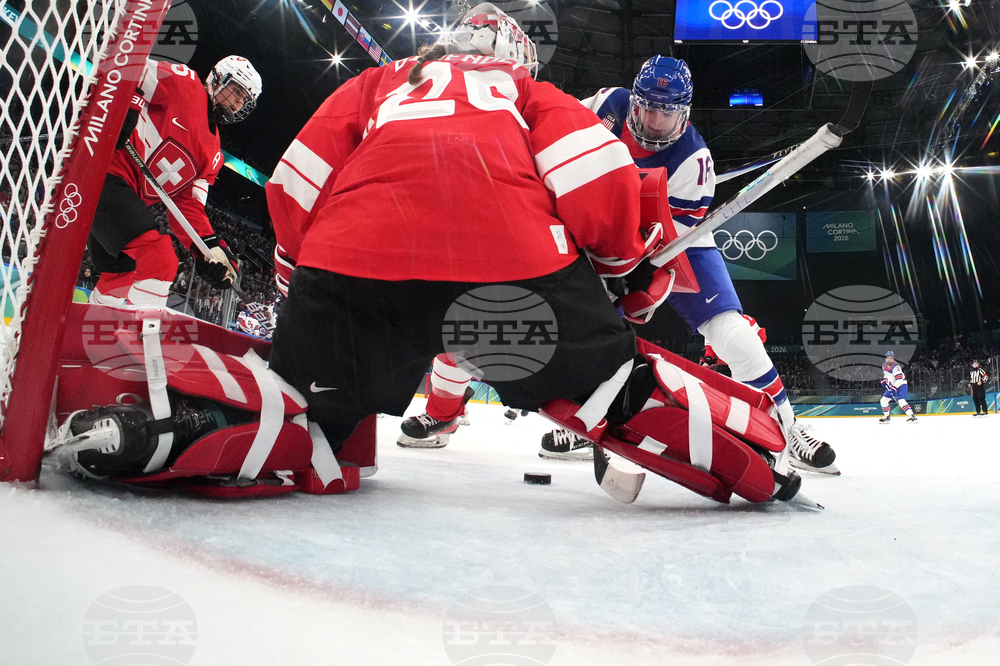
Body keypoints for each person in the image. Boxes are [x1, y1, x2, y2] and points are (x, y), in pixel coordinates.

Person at [56, 5, 807, 506]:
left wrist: (302, 282)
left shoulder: (381, 81)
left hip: (353, 270)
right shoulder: (527, 93)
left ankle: (157, 435)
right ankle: (760, 463)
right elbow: (595, 177)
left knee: (311, 409)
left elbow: (295, 180)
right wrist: (620, 278)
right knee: (614, 386)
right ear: (516, 58)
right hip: (509, 272)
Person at [538, 56, 838, 473]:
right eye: (647, 108)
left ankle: (788, 430)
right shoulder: (607, 103)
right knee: (583, 322)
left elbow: (667, 241)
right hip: (599, 227)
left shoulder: (694, 164)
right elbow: (556, 141)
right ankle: (581, 417)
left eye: (667, 112)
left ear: (685, 111)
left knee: (735, 336)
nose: (655, 121)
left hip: (673, 240)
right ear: (634, 100)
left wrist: (630, 271)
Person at [87, 56, 262, 307]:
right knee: (160, 260)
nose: (236, 103)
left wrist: (208, 247)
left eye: (244, 100)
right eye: (236, 91)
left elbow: (188, 205)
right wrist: (126, 106)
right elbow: (127, 65)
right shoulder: (185, 83)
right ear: (216, 78)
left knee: (123, 274)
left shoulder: (214, 154)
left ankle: (89, 325)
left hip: (122, 201)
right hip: (103, 172)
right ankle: (140, 340)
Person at [879, 351, 917, 423]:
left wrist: (894, 387)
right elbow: (887, 375)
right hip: (892, 386)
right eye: (888, 358)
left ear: (893, 359)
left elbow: (899, 380)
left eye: (891, 358)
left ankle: (912, 416)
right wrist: (884, 381)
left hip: (901, 385)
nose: (889, 359)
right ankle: (886, 416)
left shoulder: (896, 367)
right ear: (886, 358)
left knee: (901, 401)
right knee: (883, 400)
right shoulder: (884, 365)